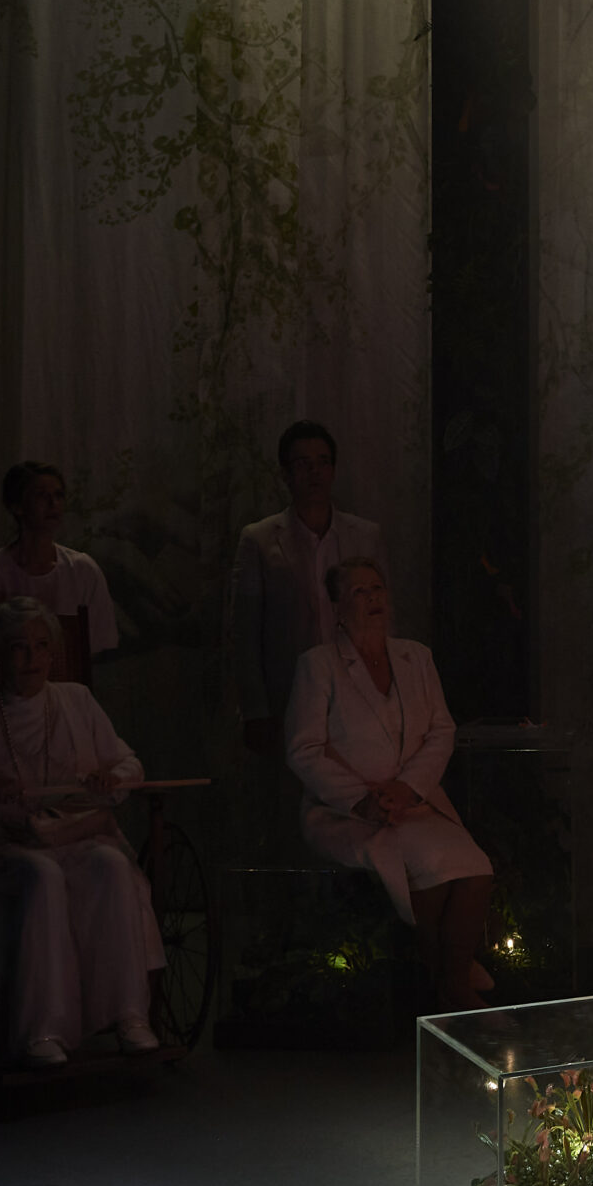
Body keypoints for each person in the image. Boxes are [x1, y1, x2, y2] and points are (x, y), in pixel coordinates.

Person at [0, 596, 163, 1066]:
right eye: (19, 647)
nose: (32, 658)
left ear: (53, 653)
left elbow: (129, 762)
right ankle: (41, 1029)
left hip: (74, 834)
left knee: (110, 865)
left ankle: (129, 1014)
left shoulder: (77, 700)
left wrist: (113, 778)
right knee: (41, 876)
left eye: (41, 646)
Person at [284, 557, 496, 1009]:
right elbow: (304, 749)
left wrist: (408, 788)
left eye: (378, 588)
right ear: (338, 607)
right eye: (359, 592)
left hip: (415, 804)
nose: (373, 598)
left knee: (475, 867)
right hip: (347, 813)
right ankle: (450, 988)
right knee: (431, 871)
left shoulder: (415, 657)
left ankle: (449, 978)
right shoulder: (318, 666)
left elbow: (442, 730)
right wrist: (362, 800)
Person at [228, 422, 388, 757]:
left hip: (357, 692)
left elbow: (381, 616)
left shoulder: (364, 535)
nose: (314, 472)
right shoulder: (259, 540)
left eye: (323, 462)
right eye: (302, 464)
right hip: (288, 694)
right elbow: (244, 633)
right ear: (286, 473)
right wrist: (255, 710)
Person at [0, 461, 119, 658]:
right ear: (17, 506)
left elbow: (100, 645)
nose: (54, 504)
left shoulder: (82, 570)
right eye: (42, 496)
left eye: (59, 495)